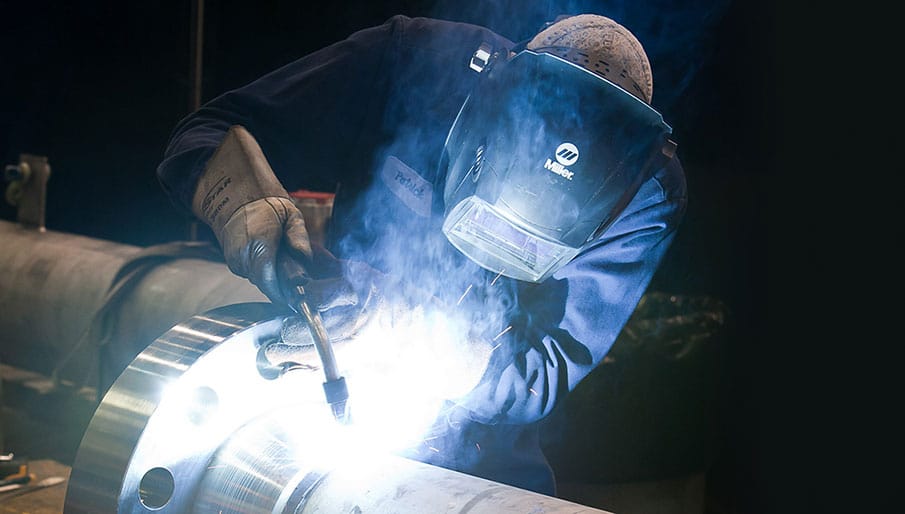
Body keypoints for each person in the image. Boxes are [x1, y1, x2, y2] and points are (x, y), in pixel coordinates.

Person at [156, 13, 687, 496]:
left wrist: (411, 334)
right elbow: (206, 132)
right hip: (319, 398)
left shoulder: (644, 192)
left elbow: (540, 372)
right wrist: (245, 209)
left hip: (480, 463)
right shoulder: (414, 63)